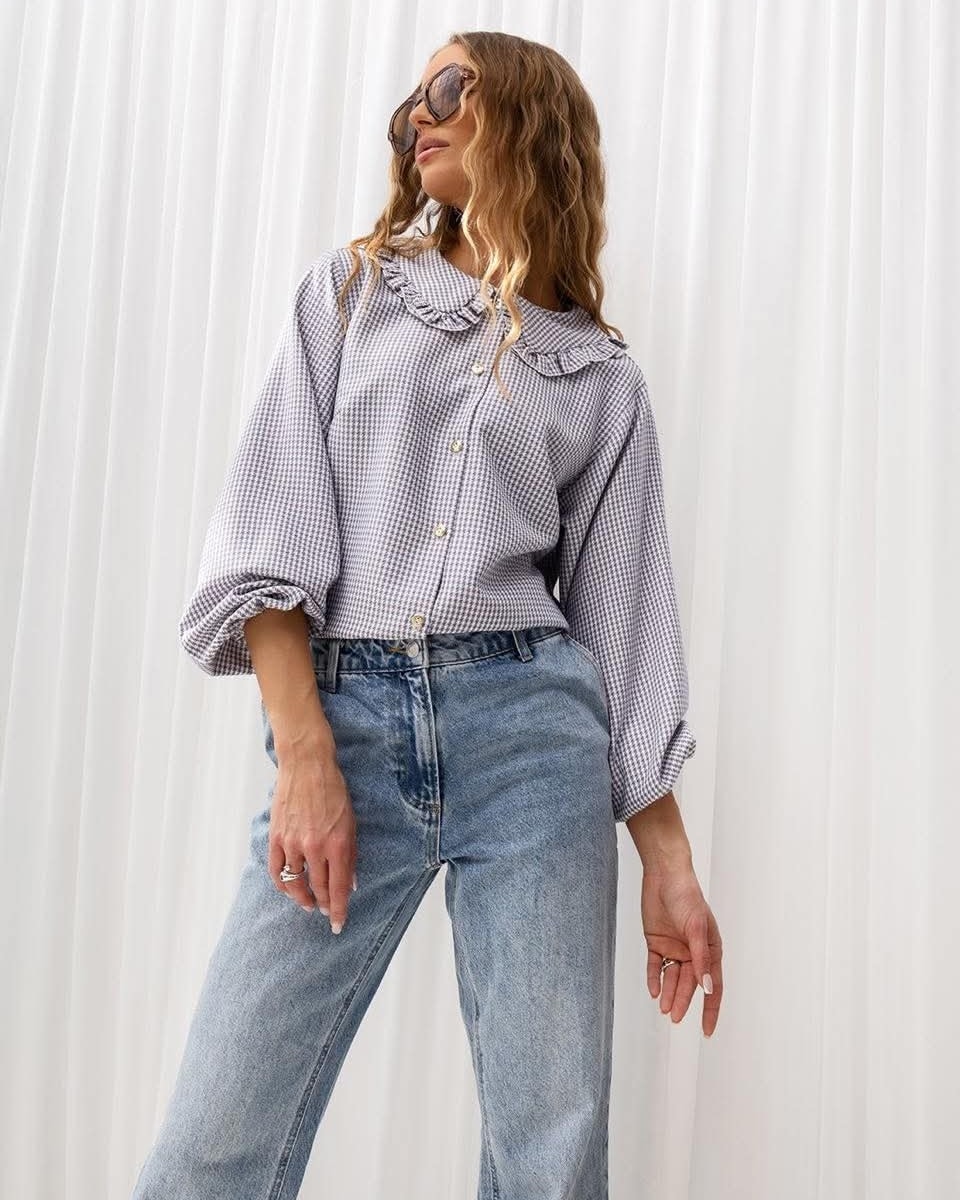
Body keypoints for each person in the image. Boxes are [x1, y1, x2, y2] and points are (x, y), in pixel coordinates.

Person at [131, 29, 723, 1200]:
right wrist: (305, 756)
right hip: (346, 725)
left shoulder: (601, 377)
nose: (421, 113)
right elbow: (270, 541)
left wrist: (670, 864)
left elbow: (627, 624)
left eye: (453, 88)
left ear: (531, 119)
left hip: (534, 744)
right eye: (413, 97)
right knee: (213, 1141)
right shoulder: (353, 294)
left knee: (551, 1151)